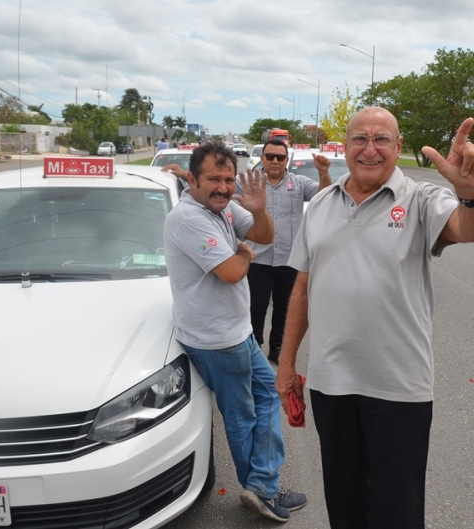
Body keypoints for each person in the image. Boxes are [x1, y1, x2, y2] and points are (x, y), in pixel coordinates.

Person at [275, 107, 474, 529]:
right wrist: (286, 365)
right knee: (344, 504)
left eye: (381, 140)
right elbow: (302, 287)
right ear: (345, 145)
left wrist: (472, 193)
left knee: (397, 510)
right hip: (330, 384)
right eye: (360, 138)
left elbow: (472, 228)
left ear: (396, 147)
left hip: (398, 389)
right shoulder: (320, 204)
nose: (370, 149)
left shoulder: (421, 199)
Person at [163, 141, 307, 522]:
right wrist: (242, 254)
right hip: (216, 342)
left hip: (237, 332)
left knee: (270, 395)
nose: (223, 187)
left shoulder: (223, 209)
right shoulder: (188, 218)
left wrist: (259, 211)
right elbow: (230, 272)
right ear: (192, 179)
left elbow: (265, 236)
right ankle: (262, 488)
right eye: (214, 179)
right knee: (242, 414)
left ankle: (263, 483)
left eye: (228, 179)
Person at [242, 139, 333, 363]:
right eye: (270, 156)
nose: (275, 161)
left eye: (280, 157)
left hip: (289, 259)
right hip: (258, 258)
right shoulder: (251, 182)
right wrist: (186, 176)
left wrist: (323, 173)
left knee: (284, 308)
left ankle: (278, 348)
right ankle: (254, 350)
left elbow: (324, 194)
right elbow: (219, 188)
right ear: (262, 158)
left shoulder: (299, 183)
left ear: (286, 160)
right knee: (256, 308)